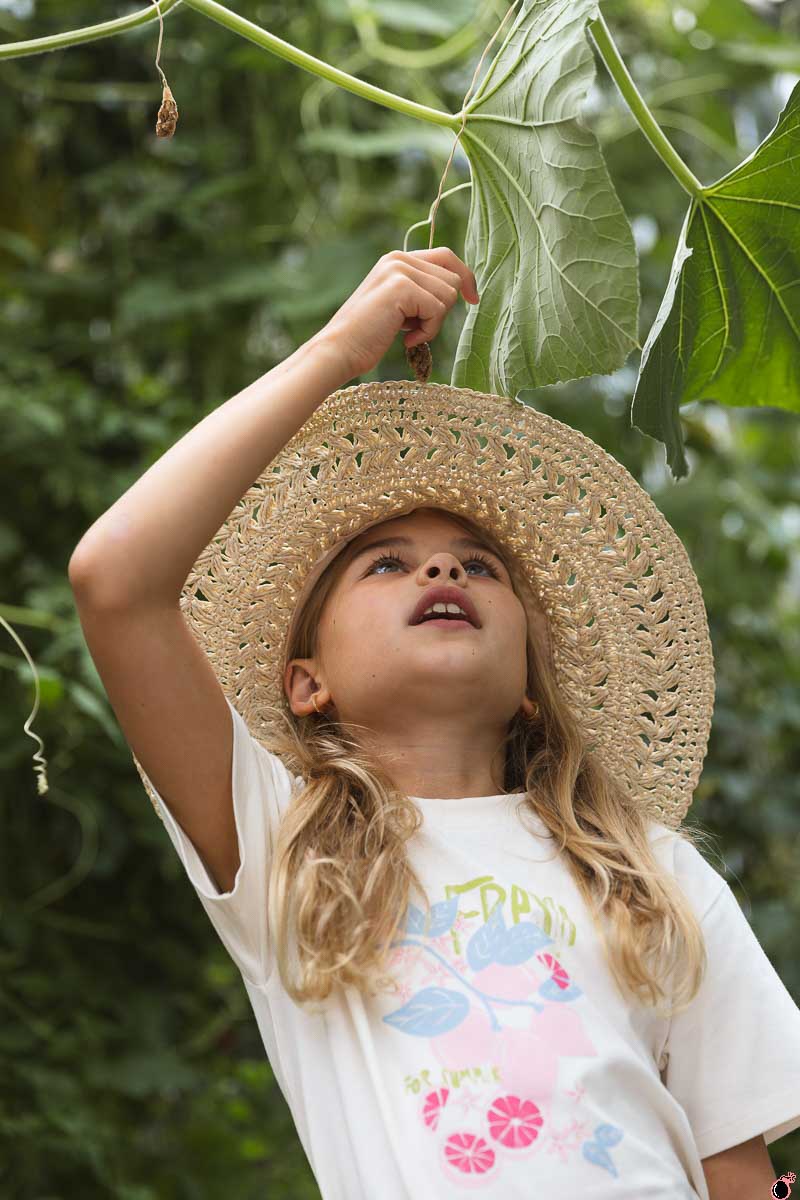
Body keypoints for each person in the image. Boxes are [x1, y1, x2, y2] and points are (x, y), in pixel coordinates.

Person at [69, 248, 800, 1199]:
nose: (444, 574)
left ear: (532, 684)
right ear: (306, 683)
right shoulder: (285, 848)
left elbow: (737, 1173)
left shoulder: (652, 872)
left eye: (480, 566)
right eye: (385, 564)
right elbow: (115, 581)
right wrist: (337, 350)